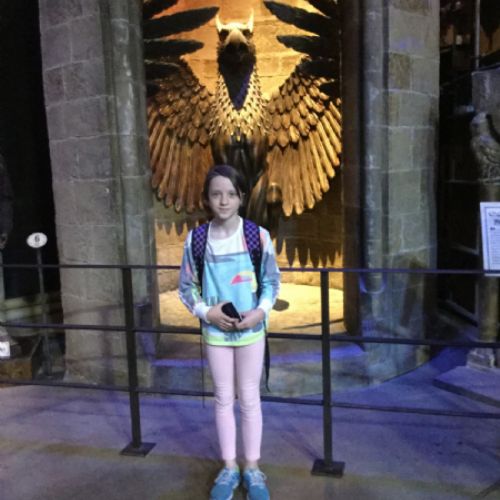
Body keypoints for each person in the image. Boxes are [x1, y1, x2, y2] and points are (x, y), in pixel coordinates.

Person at [179, 164, 280, 500]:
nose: (223, 201)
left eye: (230, 194)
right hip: (216, 334)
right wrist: (206, 312)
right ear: (207, 199)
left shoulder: (257, 236)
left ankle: (252, 467)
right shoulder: (197, 239)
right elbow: (186, 287)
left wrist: (259, 312)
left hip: (251, 332)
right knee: (223, 398)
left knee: (249, 397)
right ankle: (229, 466)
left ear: (242, 197)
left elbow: (271, 282)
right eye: (216, 194)